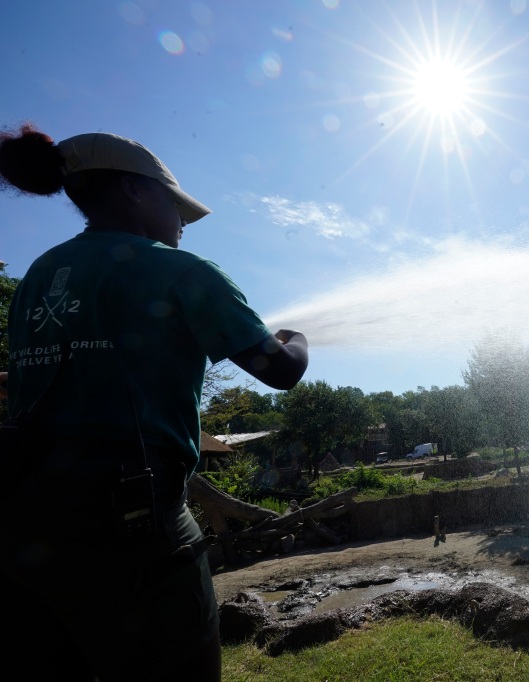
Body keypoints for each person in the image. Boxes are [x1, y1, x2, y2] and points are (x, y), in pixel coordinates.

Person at [0, 125, 309, 681]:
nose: (183, 225)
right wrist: (296, 338)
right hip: (132, 525)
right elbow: (279, 372)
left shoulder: (39, 276)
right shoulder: (180, 271)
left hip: (24, 522)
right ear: (135, 191)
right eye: (177, 208)